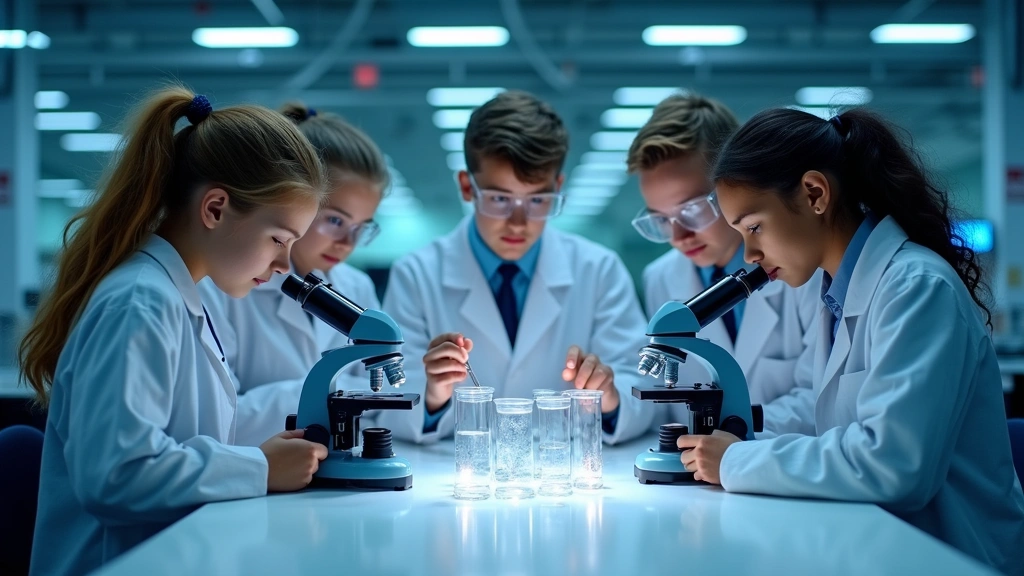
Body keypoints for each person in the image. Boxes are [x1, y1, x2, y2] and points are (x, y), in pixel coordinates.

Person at [679, 106, 1024, 574]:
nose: (751, 254)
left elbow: (894, 466)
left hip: (949, 553)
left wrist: (739, 460)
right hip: (878, 542)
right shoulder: (836, 293)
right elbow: (827, 418)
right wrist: (741, 430)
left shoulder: (916, 287)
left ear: (815, 193)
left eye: (755, 227)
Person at [18, 87, 331, 575]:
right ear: (215, 208)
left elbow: (173, 442)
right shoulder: (140, 302)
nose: (283, 264)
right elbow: (117, 475)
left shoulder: (180, 295)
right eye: (278, 239)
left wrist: (260, 457)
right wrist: (259, 468)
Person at [376, 90, 653, 444]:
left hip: (558, 473)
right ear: (466, 187)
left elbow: (641, 392)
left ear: (558, 186)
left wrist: (609, 394)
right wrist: (433, 392)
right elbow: (390, 407)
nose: (518, 222)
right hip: (456, 476)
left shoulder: (599, 270)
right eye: (500, 199)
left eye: (538, 199)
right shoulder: (416, 275)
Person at [628, 93, 819, 436]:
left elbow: (820, 398)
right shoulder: (660, 277)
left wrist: (731, 435)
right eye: (661, 220)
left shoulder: (803, 266)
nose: (679, 235)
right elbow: (671, 401)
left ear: (733, 184)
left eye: (692, 210)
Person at [200, 103, 388, 446]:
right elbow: (221, 419)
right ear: (300, 200)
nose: (348, 243)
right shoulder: (224, 285)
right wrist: (323, 390)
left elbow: (379, 401)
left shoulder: (355, 286)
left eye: (361, 228)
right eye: (335, 220)